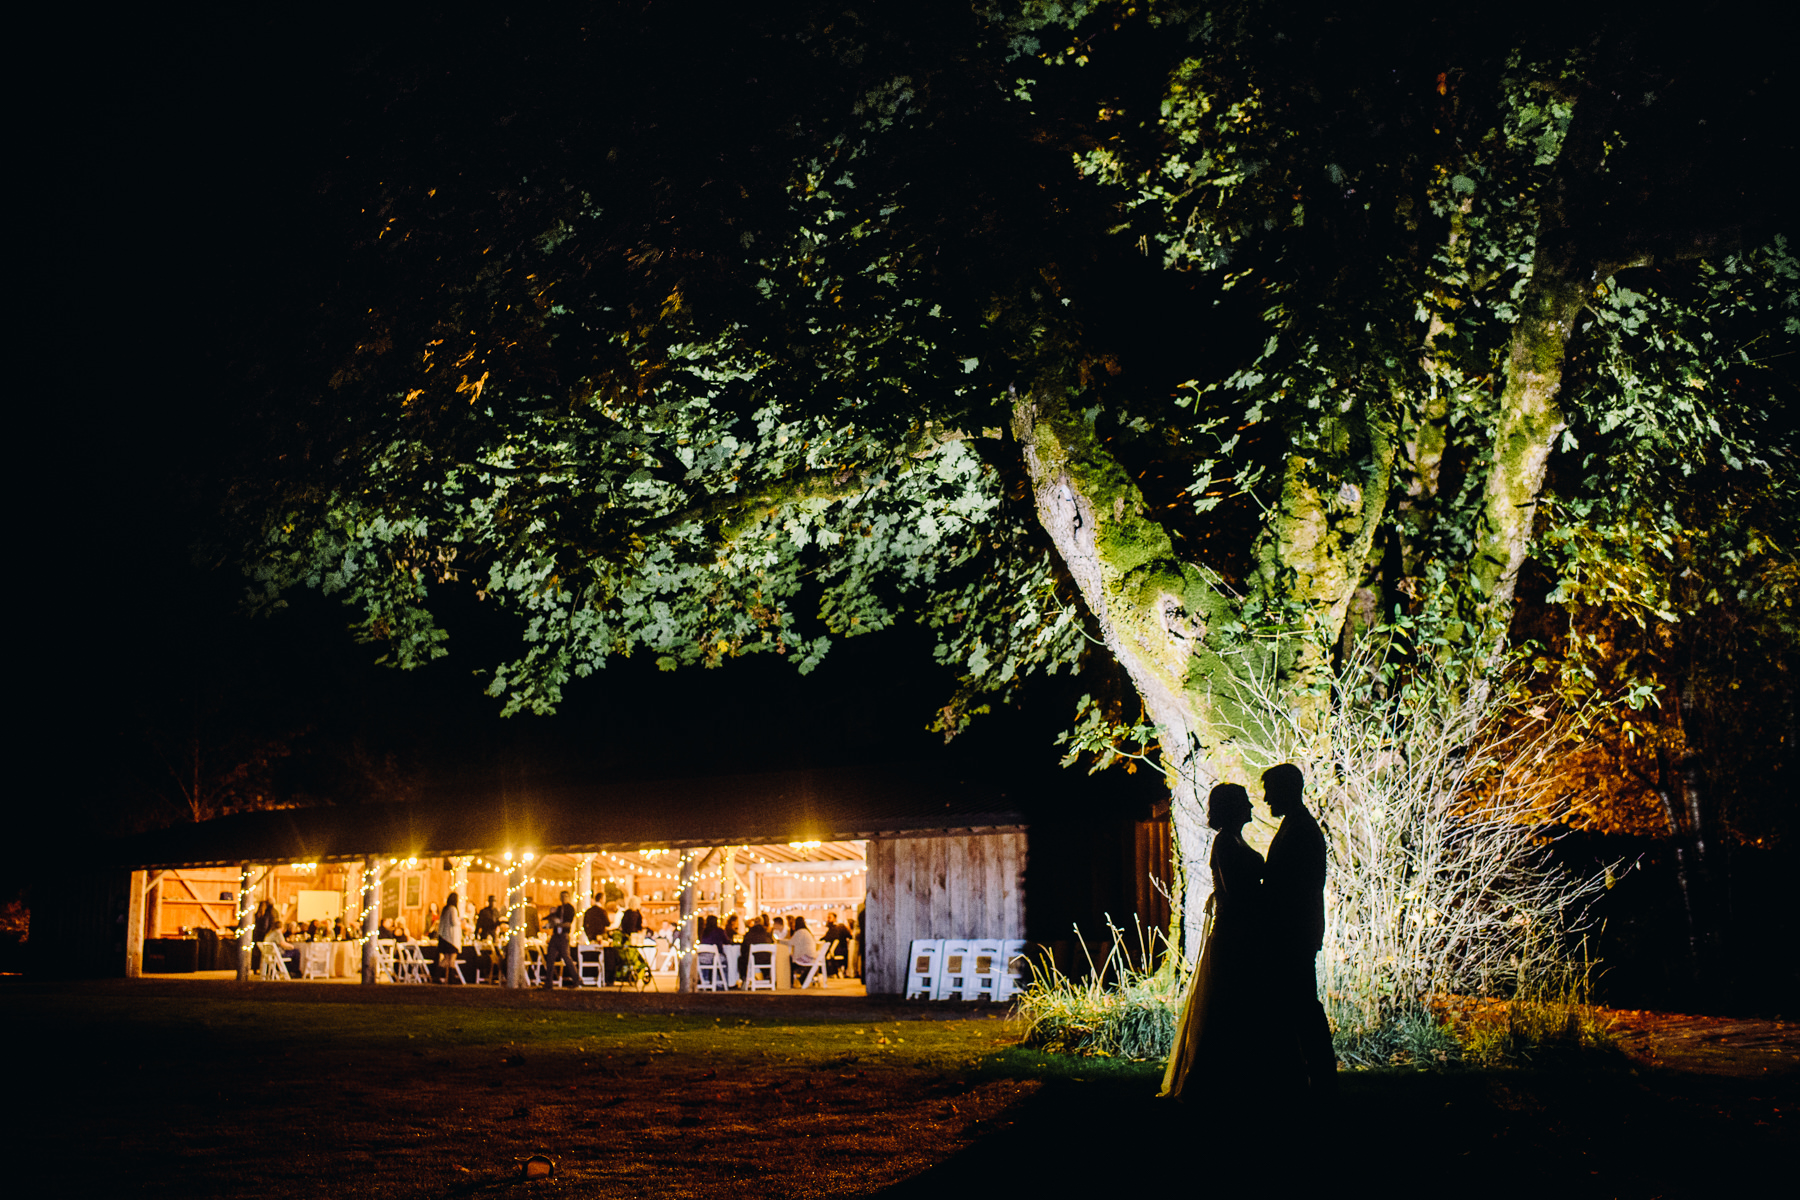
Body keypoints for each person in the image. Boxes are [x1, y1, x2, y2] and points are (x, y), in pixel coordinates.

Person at [1160, 782, 1266, 1101]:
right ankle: (1214, 1080)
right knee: (1227, 1006)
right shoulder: (1226, 844)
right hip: (1235, 937)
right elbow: (1236, 895)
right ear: (1233, 807)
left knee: (1237, 1008)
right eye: (1244, 802)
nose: (1250, 806)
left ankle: (1232, 1078)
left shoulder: (1233, 840)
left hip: (1240, 933)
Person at [1262, 762, 1338, 1097]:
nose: (1265, 799)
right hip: (1295, 931)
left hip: (1294, 932)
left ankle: (1320, 1075)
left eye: (1270, 790)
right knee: (1299, 1004)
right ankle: (1308, 1074)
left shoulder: (1302, 831)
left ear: (1286, 790)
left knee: (1303, 1005)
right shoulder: (1298, 827)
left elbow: (1294, 887)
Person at [543, 890, 579, 989]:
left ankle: (576, 980)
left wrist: (558, 924)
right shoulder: (558, 909)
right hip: (555, 935)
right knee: (550, 958)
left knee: (567, 958)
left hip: (563, 935)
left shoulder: (570, 909)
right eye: (562, 896)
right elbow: (553, 920)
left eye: (566, 896)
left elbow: (568, 923)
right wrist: (548, 925)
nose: (564, 898)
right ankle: (548, 983)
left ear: (569, 897)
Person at [437, 892, 464, 983]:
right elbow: (454, 922)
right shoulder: (453, 909)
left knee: (446, 959)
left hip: (443, 937)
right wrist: (460, 922)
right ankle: (451, 978)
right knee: (452, 959)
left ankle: (438, 975)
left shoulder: (445, 909)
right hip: (451, 939)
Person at [788, 916, 822, 985]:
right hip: (811, 957)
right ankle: (798, 980)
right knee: (791, 960)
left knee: (788, 961)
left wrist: (780, 941)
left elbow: (791, 943)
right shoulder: (807, 931)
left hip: (806, 958)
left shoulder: (800, 932)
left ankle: (790, 982)